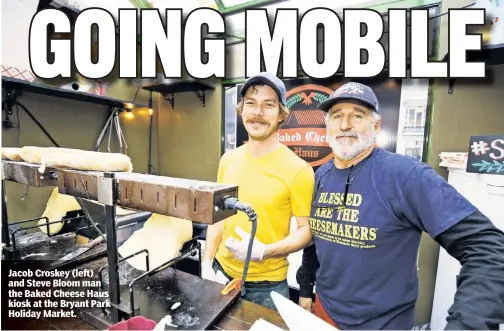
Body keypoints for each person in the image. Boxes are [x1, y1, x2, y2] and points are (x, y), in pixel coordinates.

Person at [296, 82, 504, 330]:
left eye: (357, 115)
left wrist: (467, 325)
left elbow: (489, 250)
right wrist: (306, 288)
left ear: (376, 126)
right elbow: (316, 241)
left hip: (382, 324)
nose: (344, 125)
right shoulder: (322, 175)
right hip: (324, 313)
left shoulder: (406, 175)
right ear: (327, 125)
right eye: (337, 116)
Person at [202, 72, 315, 310]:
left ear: (281, 113)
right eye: (251, 103)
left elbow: (307, 232)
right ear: (241, 109)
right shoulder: (228, 160)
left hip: (267, 286)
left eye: (268, 105)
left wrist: (264, 251)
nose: (258, 112)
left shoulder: (299, 170)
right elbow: (219, 218)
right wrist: (207, 260)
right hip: (221, 273)